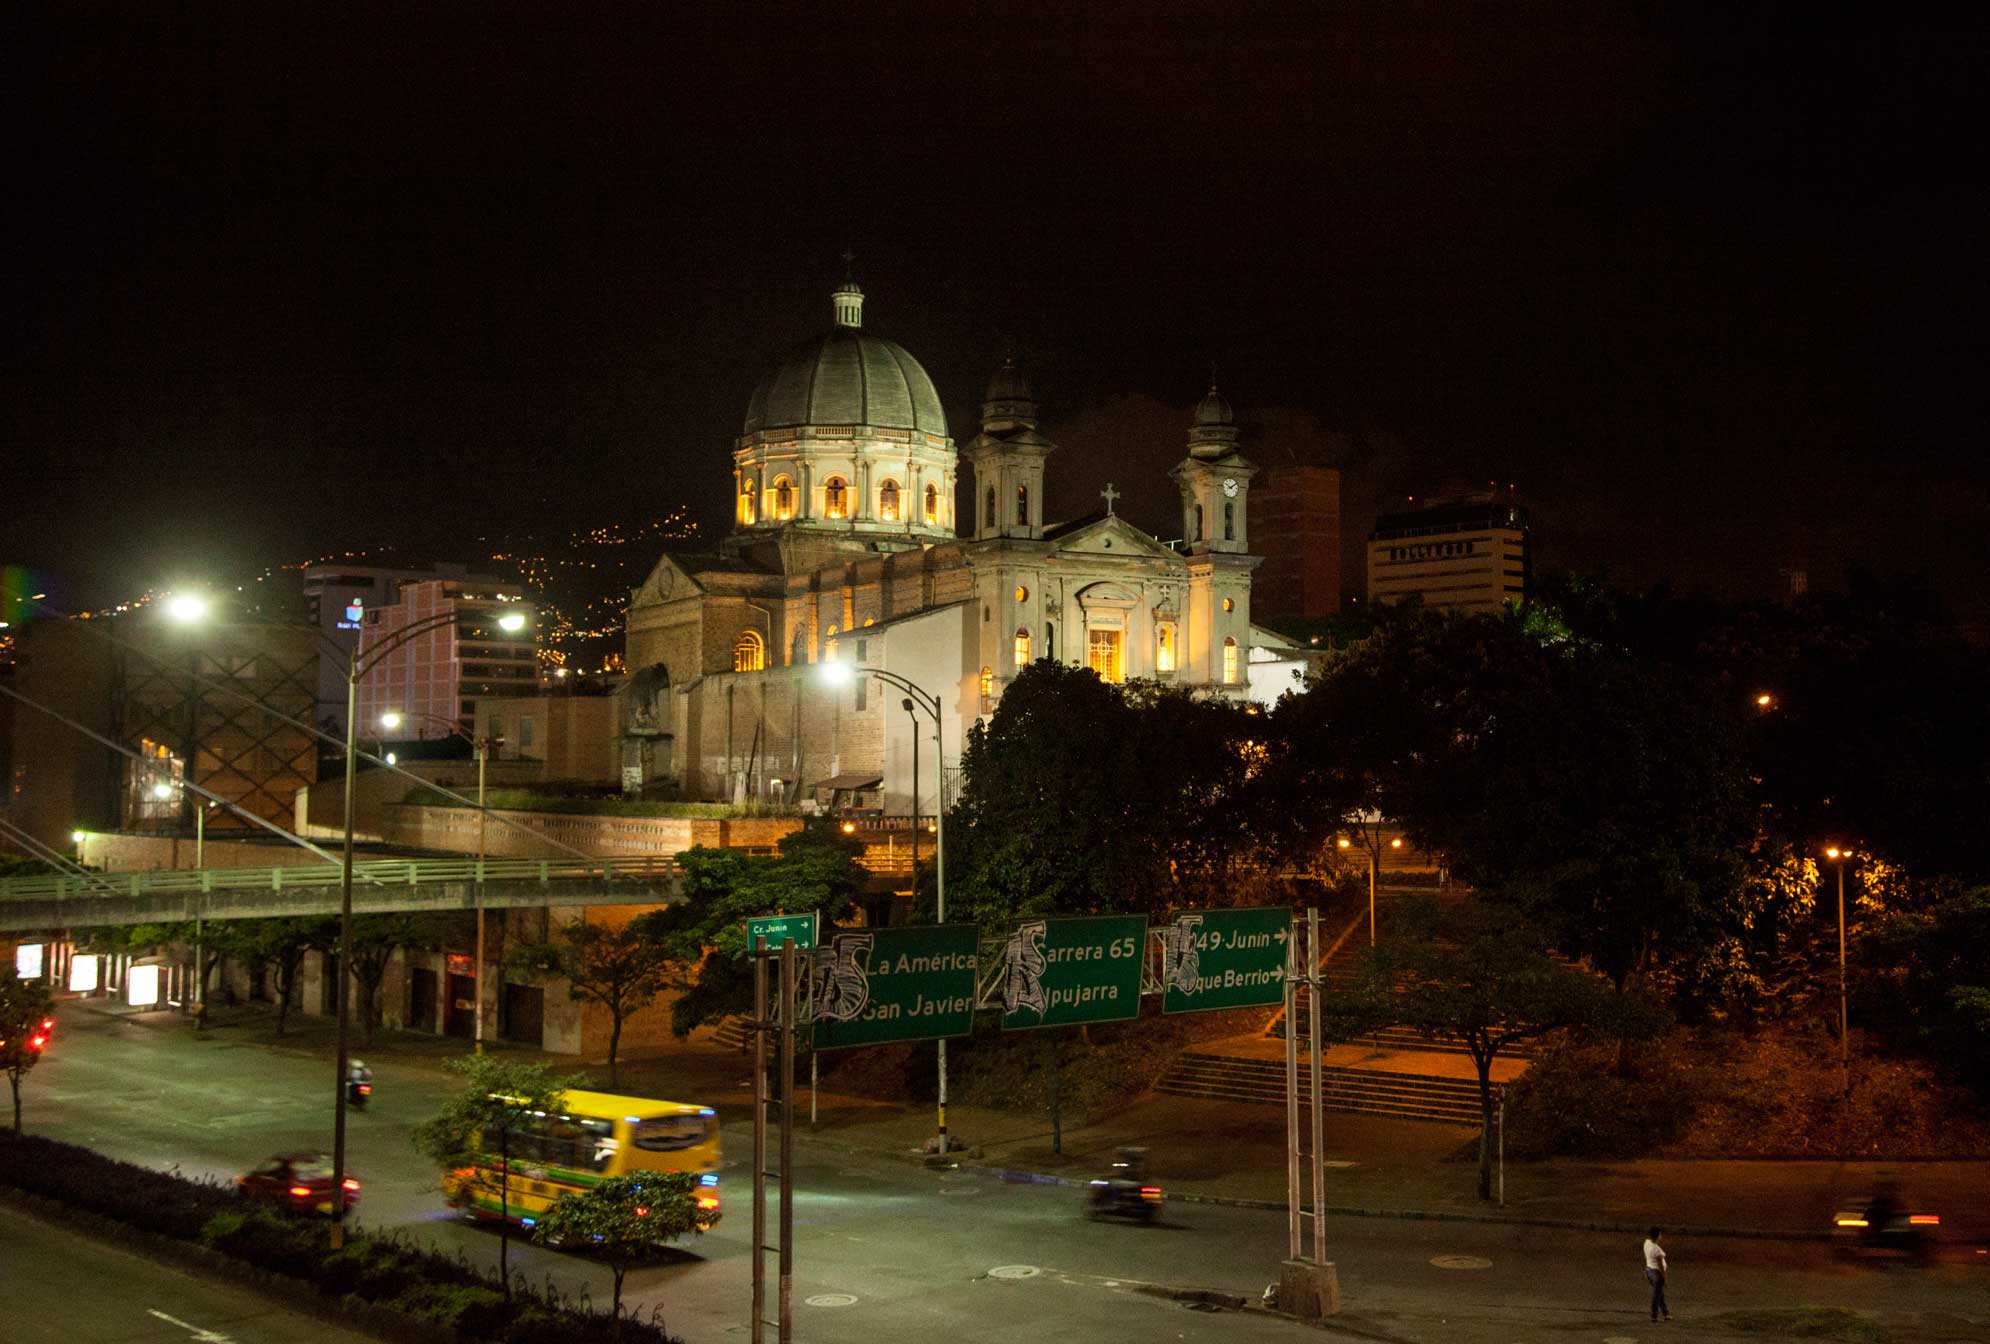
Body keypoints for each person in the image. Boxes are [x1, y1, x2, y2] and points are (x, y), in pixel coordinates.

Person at [1643, 1227, 1670, 1322]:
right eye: (1660, 1234)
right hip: (1656, 1273)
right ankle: (1654, 1316)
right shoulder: (1656, 1249)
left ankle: (1666, 1313)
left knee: (1659, 1294)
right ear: (1658, 1236)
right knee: (1657, 1295)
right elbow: (1660, 1265)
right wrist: (1664, 1276)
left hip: (1649, 1270)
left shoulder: (1647, 1243)